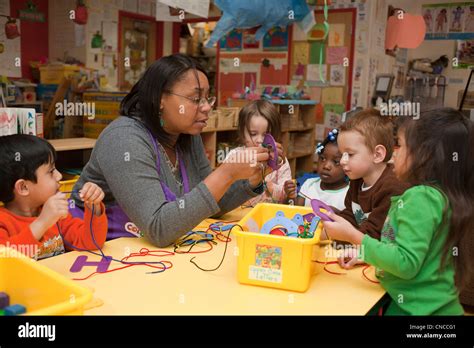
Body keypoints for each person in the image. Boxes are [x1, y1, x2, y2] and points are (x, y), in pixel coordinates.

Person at [70, 54, 281, 247]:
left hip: (148, 251)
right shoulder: (123, 139)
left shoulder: (187, 136)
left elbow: (212, 203)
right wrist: (226, 173)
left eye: (208, 98)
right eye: (196, 99)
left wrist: (252, 179)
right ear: (160, 99)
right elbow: (158, 228)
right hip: (100, 252)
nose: (207, 107)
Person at [323, 108, 474, 315]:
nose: (393, 153)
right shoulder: (434, 195)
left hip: (420, 311)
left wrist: (353, 236)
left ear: (424, 155)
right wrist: (365, 254)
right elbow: (406, 252)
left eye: (400, 146)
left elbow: (406, 263)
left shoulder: (421, 198)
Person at [0, 135, 107, 260]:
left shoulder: (56, 215)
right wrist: (42, 222)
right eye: (51, 171)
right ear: (23, 187)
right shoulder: (4, 223)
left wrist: (94, 207)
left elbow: (91, 243)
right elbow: (6, 260)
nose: (59, 176)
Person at [226, 100, 291, 206]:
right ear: (242, 132)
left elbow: (286, 195)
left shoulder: (280, 161)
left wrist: (273, 189)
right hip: (237, 216)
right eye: (253, 134)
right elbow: (226, 192)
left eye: (266, 135)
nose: (259, 140)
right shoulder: (235, 156)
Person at [284, 129, 348, 211]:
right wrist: (290, 196)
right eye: (322, 158)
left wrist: (337, 214)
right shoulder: (309, 184)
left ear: (348, 165)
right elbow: (295, 211)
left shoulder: (349, 194)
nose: (326, 166)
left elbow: (353, 222)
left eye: (336, 162)